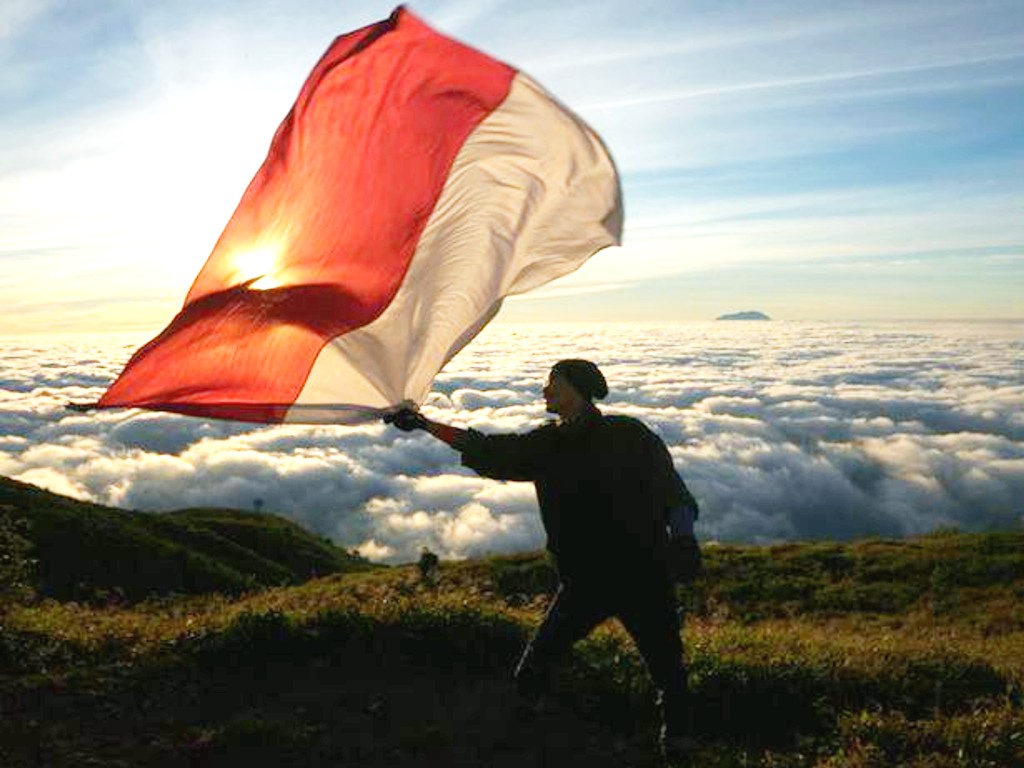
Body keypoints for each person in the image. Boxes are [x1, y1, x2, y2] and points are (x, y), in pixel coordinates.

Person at [384, 359, 701, 764]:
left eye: (554, 382)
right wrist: (427, 425)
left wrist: (685, 538)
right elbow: (487, 448)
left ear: (578, 388)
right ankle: (522, 736)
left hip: (639, 575)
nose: (545, 390)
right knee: (539, 666)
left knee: (667, 670)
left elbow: (673, 492)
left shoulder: (629, 435)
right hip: (591, 581)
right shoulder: (546, 444)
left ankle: (677, 743)